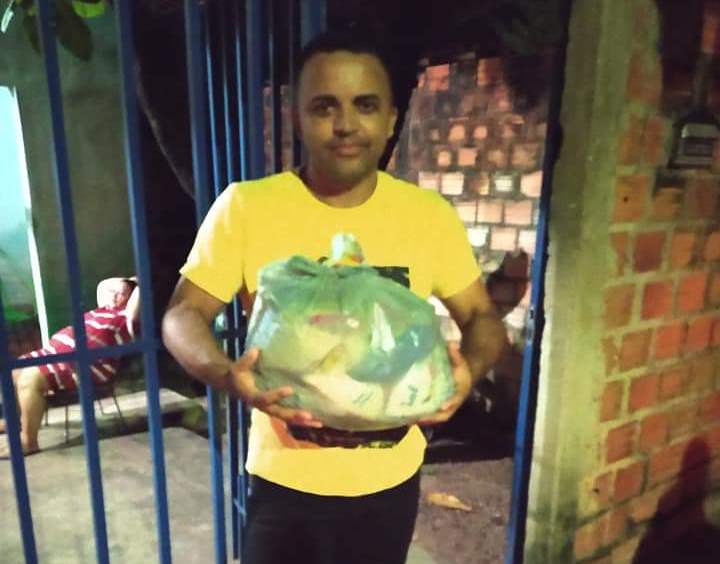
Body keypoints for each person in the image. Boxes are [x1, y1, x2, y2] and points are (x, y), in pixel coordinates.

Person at [162, 31, 507, 564]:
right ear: (298, 119)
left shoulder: (427, 216)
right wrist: (227, 375)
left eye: (364, 105)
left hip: (389, 486)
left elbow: (482, 316)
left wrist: (469, 373)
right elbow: (183, 315)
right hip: (284, 486)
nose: (345, 124)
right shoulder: (247, 208)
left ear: (391, 119)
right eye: (324, 107)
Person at [0, 277, 139, 458]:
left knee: (30, 379)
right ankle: (14, 422)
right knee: (12, 371)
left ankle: (28, 442)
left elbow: (143, 286)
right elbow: (104, 285)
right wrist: (123, 284)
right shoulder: (102, 309)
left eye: (123, 294)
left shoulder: (130, 316)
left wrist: (135, 282)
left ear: (132, 297)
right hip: (55, 354)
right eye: (115, 292)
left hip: (85, 365)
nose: (115, 295)